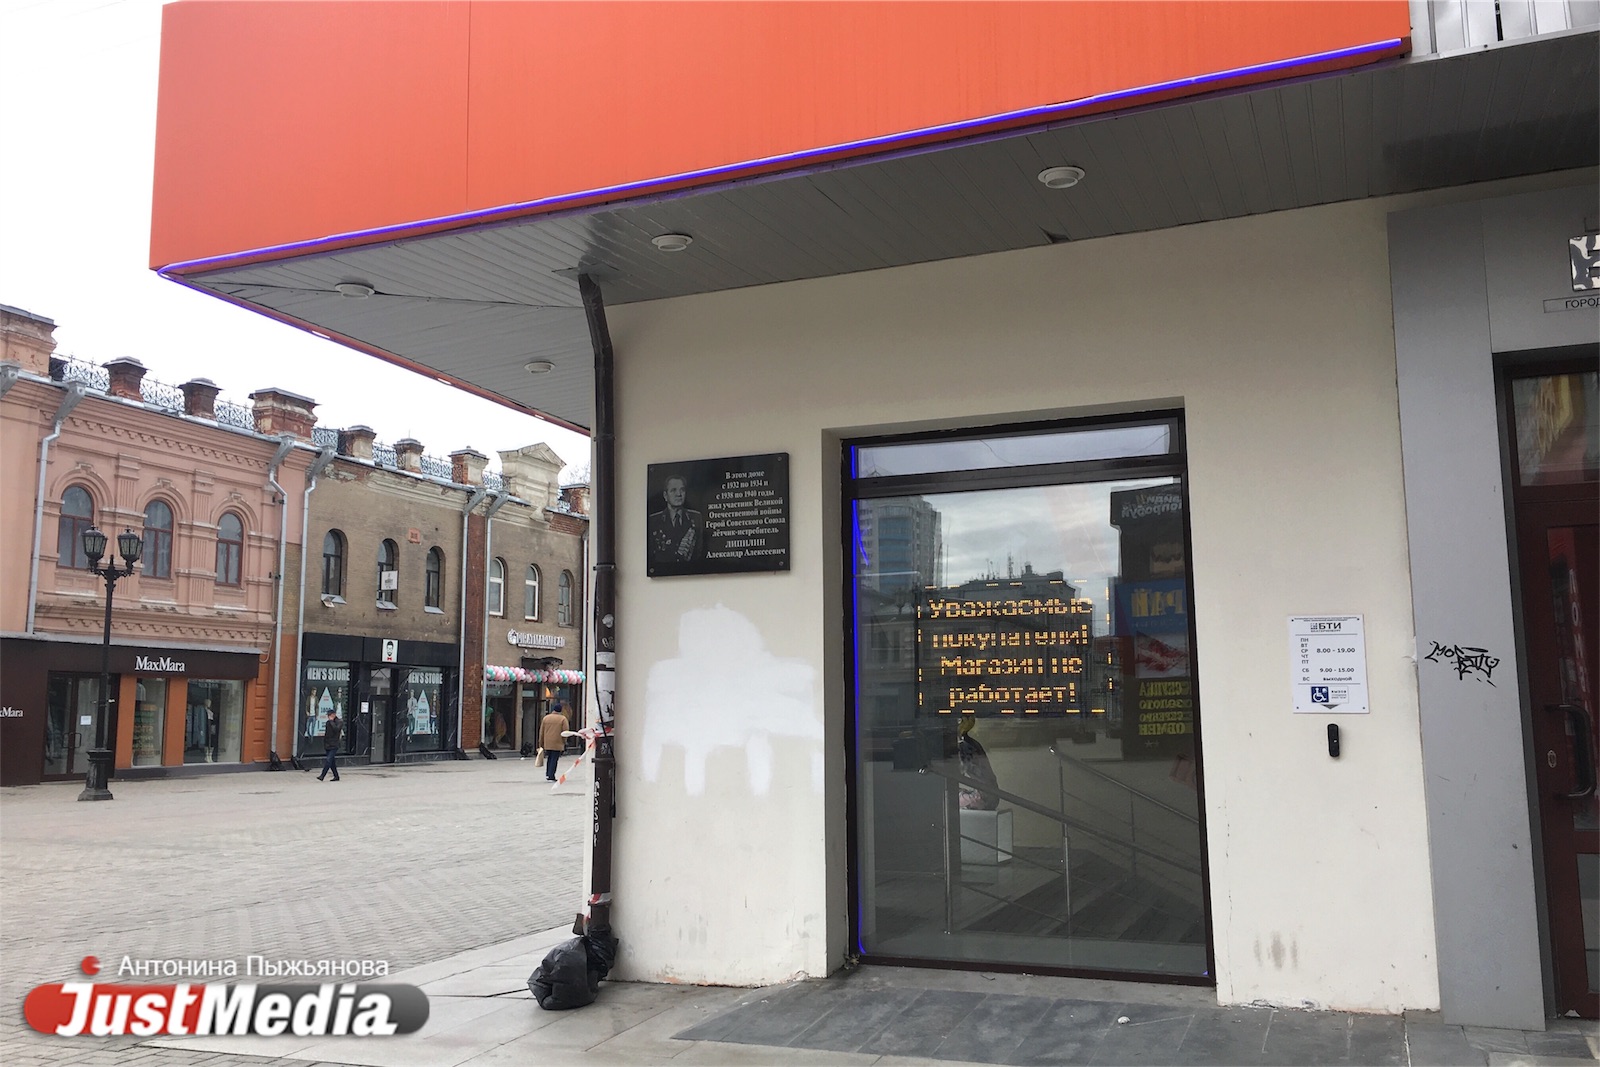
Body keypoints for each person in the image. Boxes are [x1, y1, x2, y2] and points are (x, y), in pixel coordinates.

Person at [647, 474, 703, 566]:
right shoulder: (653, 521)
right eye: (673, 490)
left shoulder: (696, 517)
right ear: (665, 495)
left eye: (682, 490)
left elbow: (700, 552)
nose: (679, 494)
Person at [538, 702, 570, 782]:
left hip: (547, 742)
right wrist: (564, 742)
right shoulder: (563, 719)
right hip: (558, 742)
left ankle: (548, 773)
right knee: (554, 759)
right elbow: (565, 732)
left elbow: (541, 732)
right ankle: (551, 775)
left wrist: (541, 743)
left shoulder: (546, 718)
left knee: (549, 758)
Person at [317, 708, 342, 782]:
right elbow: (327, 733)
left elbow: (336, 730)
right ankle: (336, 776)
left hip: (334, 744)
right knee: (331, 762)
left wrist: (331, 721)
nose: (328, 717)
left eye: (329, 715)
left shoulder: (339, 722)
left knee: (328, 760)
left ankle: (322, 776)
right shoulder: (328, 722)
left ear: (334, 715)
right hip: (328, 744)